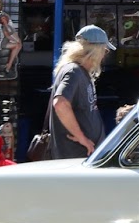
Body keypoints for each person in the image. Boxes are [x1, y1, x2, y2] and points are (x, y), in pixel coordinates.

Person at [48, 25, 114, 159]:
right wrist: (81, 137)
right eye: (104, 50)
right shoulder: (74, 72)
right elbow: (60, 103)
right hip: (74, 156)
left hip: (82, 156)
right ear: (94, 51)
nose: (104, 55)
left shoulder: (80, 72)